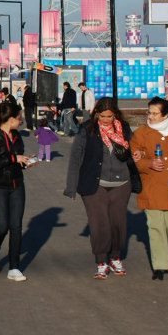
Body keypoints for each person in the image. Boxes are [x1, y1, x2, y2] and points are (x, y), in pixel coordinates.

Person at [64, 97, 141, 280]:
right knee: (100, 223)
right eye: (102, 116)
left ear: (115, 114)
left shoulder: (124, 128)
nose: (106, 119)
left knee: (117, 223)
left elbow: (134, 149)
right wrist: (71, 186)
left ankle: (115, 256)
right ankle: (101, 261)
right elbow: (76, 157)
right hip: (94, 183)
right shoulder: (87, 129)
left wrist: (139, 153)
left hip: (121, 183)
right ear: (96, 113)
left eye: (109, 116)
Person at [131, 97, 168, 281]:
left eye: (155, 113)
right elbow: (136, 160)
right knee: (155, 226)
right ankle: (160, 265)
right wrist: (148, 163)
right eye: (149, 112)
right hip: (152, 186)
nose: (151, 116)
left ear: (165, 115)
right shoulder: (141, 133)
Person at [0, 101, 32, 281]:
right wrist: (13, 158)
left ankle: (14, 267)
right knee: (2, 226)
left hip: (17, 185)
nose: (21, 121)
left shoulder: (17, 136)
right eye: (19, 118)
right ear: (11, 119)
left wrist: (24, 162)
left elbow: (16, 159)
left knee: (16, 226)